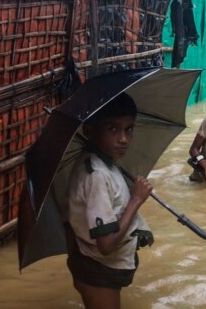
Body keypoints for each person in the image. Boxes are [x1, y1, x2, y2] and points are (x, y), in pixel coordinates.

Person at [66, 93, 153, 309]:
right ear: (90, 131)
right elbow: (105, 245)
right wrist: (135, 200)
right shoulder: (96, 174)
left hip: (92, 265)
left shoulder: (106, 164)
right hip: (97, 270)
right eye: (113, 129)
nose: (123, 139)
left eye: (129, 129)